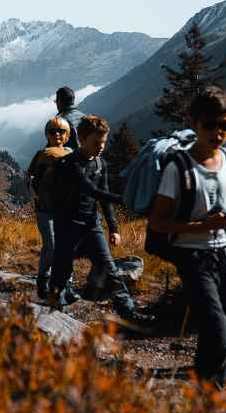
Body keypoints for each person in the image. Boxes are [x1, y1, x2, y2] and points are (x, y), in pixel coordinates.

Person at [147, 87, 226, 388]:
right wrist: (202, 225)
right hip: (193, 257)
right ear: (195, 124)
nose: (218, 132)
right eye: (210, 125)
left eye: (225, 126)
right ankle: (210, 394)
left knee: (225, 328)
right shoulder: (178, 168)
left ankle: (209, 387)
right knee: (216, 325)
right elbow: (158, 221)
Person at [46, 115, 153, 327]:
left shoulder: (100, 163)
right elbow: (91, 190)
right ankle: (53, 314)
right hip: (67, 226)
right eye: (96, 143)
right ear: (82, 139)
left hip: (91, 225)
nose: (101, 147)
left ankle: (129, 313)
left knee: (110, 269)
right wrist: (128, 200)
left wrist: (114, 228)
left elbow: (103, 196)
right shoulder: (69, 164)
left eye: (103, 142)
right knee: (62, 271)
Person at [26, 116, 74, 300]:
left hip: (66, 208)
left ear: (67, 134)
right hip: (45, 209)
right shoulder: (41, 155)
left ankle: (66, 282)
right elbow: (29, 179)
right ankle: (43, 279)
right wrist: (35, 197)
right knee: (52, 245)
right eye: (52, 131)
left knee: (67, 245)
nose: (57, 134)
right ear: (47, 134)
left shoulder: (72, 153)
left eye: (61, 131)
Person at [54, 86, 86, 152]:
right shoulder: (85, 117)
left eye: (56, 101)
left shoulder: (59, 122)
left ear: (60, 102)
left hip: (70, 159)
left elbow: (54, 147)